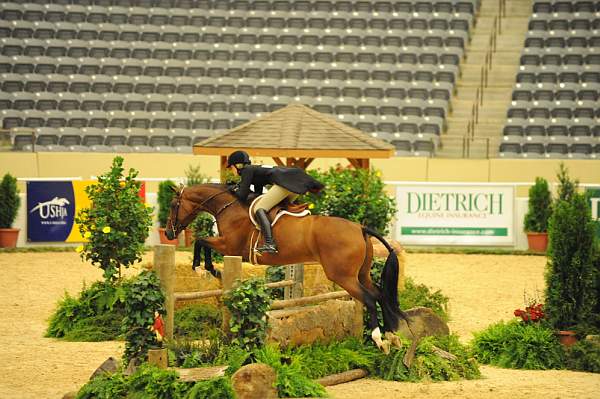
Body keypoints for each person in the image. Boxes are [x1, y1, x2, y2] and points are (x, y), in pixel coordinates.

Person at [226, 150, 324, 254]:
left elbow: (242, 195)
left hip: (286, 184)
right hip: (293, 183)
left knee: (259, 209)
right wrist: (239, 188)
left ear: (237, 166)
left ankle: (270, 243)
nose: (231, 170)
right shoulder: (254, 169)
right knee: (275, 209)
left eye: (231, 167)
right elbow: (257, 194)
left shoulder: (247, 170)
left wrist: (231, 188)